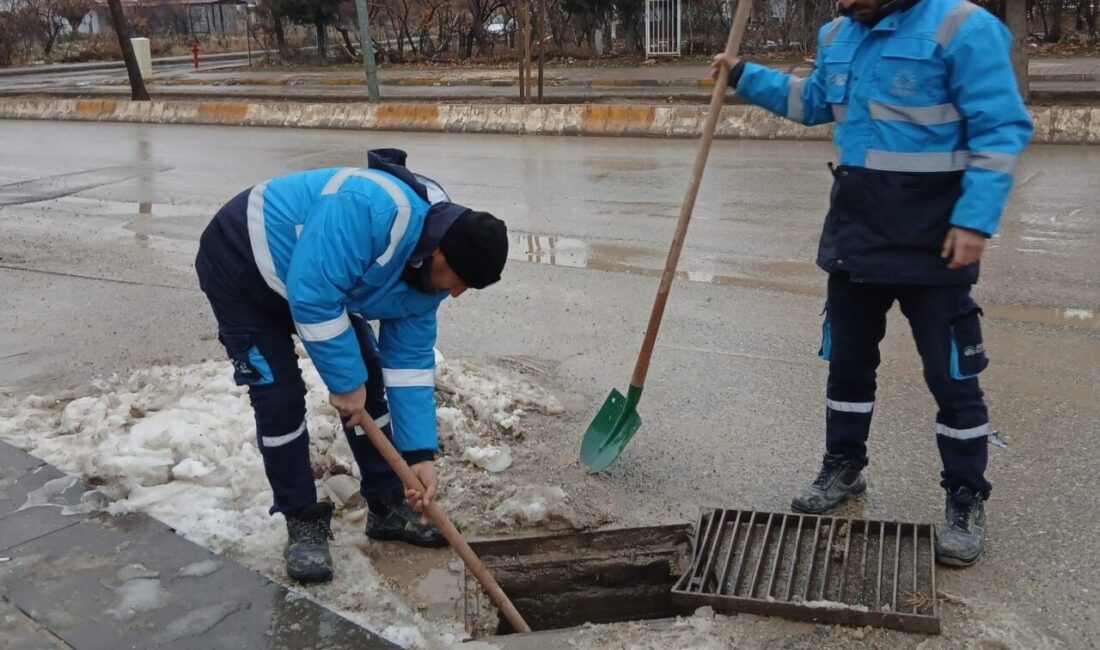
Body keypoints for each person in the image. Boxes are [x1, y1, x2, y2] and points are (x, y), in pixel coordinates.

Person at [710, 0, 1032, 566]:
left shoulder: (963, 27)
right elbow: (812, 103)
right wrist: (743, 75)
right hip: (856, 231)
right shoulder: (838, 33)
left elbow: (1000, 127)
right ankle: (844, 466)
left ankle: (964, 495)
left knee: (951, 376)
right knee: (848, 364)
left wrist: (975, 219)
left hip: (937, 240)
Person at [195, 149, 508, 583]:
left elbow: (411, 364)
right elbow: (312, 296)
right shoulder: (370, 209)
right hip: (243, 264)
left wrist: (419, 456)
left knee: (371, 379)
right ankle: (301, 518)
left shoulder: (431, 274)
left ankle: (385, 502)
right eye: (457, 280)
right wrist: (345, 382)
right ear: (438, 252)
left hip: (316, 281)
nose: (455, 294)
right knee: (279, 395)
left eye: (466, 288)